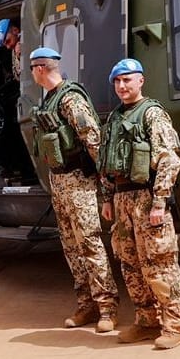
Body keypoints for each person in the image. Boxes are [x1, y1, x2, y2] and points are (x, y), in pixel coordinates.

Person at [97, 58, 180, 349]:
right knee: (130, 264)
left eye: (127, 80)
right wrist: (108, 197)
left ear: (141, 81)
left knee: (159, 264)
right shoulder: (114, 118)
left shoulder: (152, 114)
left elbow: (168, 160)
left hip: (147, 197)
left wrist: (160, 202)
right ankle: (147, 321)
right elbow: (107, 161)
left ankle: (176, 325)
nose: (122, 86)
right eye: (117, 81)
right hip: (122, 199)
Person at [26, 47, 118, 333]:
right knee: (71, 247)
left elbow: (95, 143)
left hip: (79, 182)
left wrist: (107, 188)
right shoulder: (50, 100)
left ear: (40, 69)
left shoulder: (70, 99)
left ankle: (107, 308)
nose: (32, 74)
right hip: (60, 183)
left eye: (32, 69)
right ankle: (86, 304)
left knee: (90, 244)